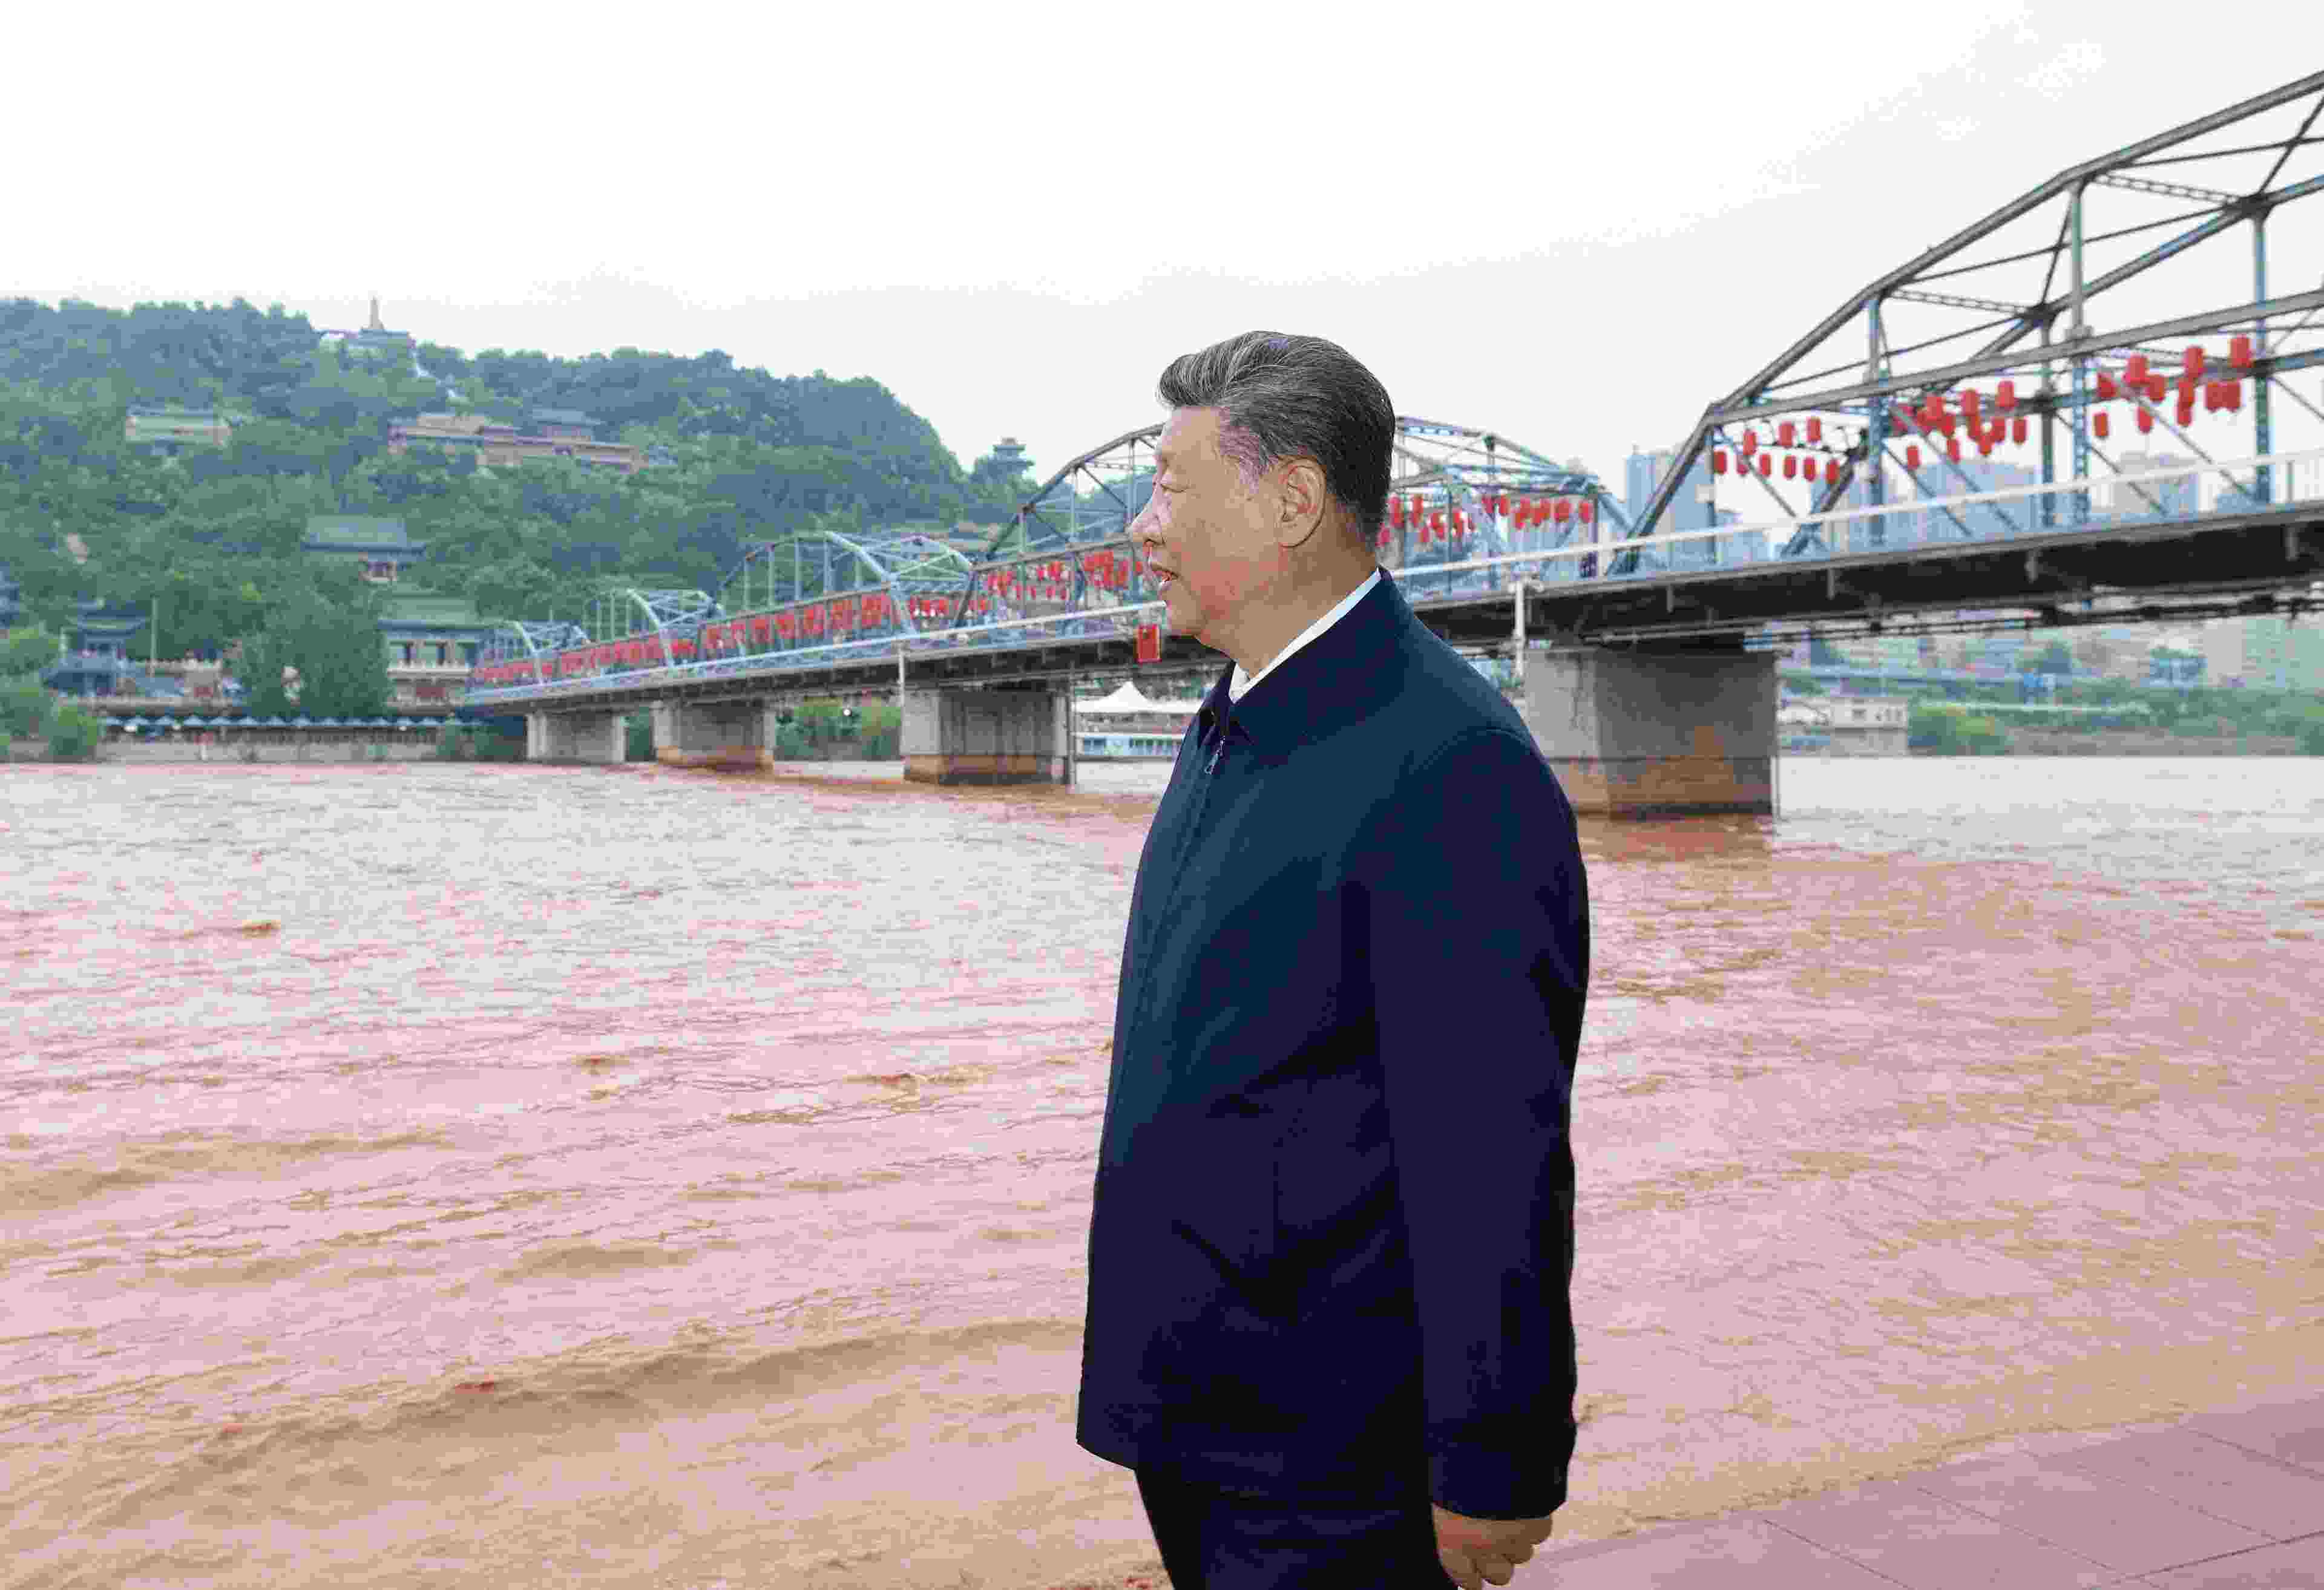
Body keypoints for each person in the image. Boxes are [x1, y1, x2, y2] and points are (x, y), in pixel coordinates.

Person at [1077, 332, 1589, 1589]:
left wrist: (1494, 1463)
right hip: (1201, 1409)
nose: (1143, 526)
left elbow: (1491, 1152)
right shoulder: (1236, 722)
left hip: (1329, 1452)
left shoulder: (1446, 762)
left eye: (1171, 487)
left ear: (1293, 499)